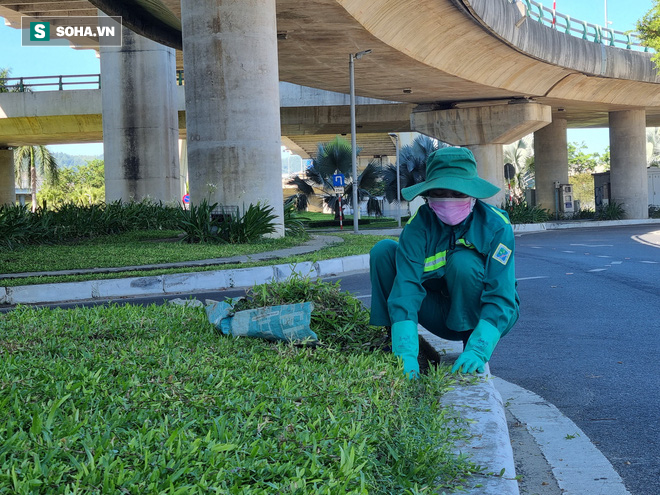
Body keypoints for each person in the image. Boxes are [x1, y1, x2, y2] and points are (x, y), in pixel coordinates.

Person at [369, 147, 519, 378]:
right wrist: (406, 352)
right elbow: (406, 288)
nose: (448, 200)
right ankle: (394, 338)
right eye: (439, 193)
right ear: (428, 195)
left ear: (473, 194)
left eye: (458, 193)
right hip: (438, 313)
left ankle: (472, 344)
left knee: (463, 261)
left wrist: (479, 349)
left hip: (481, 317)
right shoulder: (418, 227)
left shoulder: (497, 227)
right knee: (384, 251)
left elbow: (502, 296)